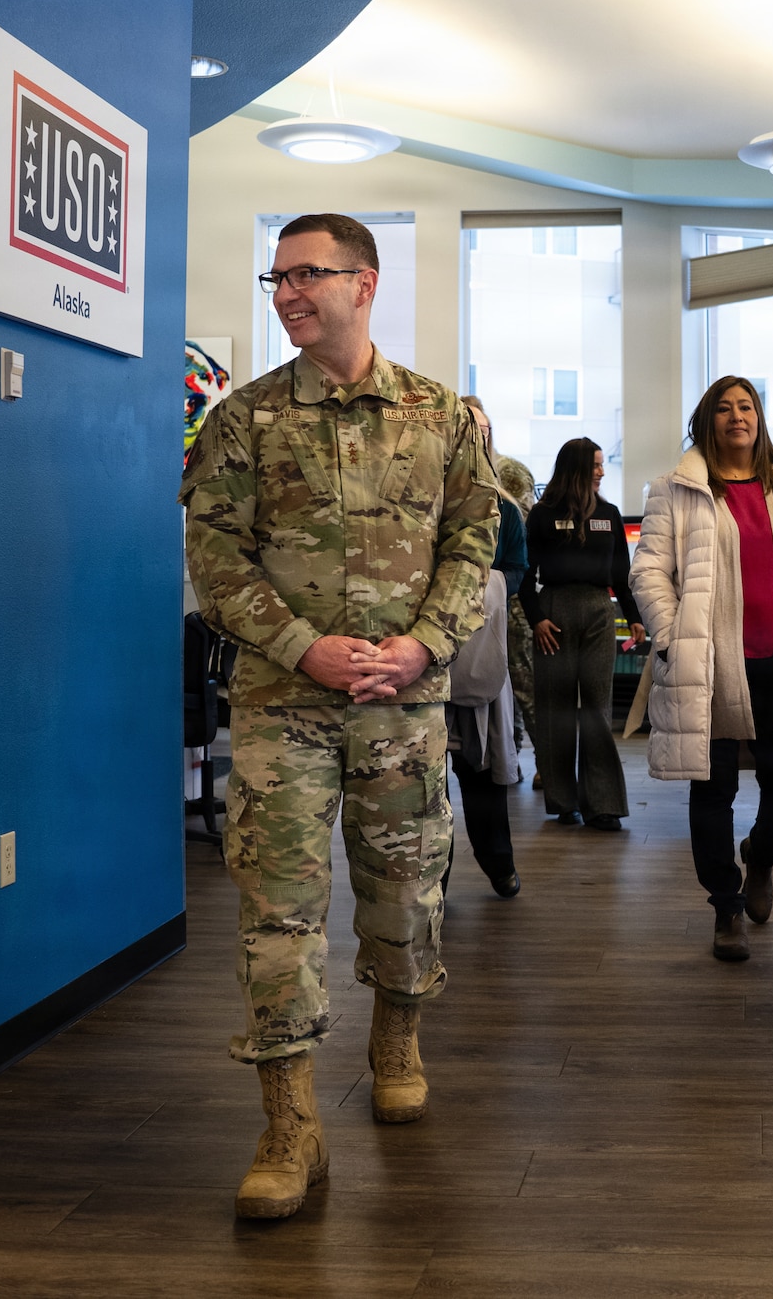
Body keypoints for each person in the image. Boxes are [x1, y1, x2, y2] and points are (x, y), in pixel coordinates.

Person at [181, 212, 499, 1219]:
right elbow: (216, 556)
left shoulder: (441, 416)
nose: (284, 293)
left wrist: (422, 644)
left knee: (405, 891)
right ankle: (290, 1123)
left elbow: (472, 544)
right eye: (274, 277)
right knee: (276, 905)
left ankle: (396, 1036)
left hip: (403, 704)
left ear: (363, 283)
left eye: (304, 274)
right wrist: (298, 645)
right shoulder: (243, 419)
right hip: (284, 707)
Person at [630, 377, 773, 962]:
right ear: (707, 420)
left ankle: (761, 859)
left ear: (760, 418)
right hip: (713, 663)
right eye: (724, 407)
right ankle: (725, 906)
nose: (736, 416)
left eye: (746, 406)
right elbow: (648, 571)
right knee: (712, 788)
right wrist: (672, 635)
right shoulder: (676, 489)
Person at [520, 438, 644, 830]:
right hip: (553, 614)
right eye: (594, 465)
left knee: (596, 706)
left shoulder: (609, 514)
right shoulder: (541, 515)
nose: (601, 472)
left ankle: (603, 804)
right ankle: (562, 800)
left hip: (597, 612)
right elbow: (523, 575)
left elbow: (622, 577)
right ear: (575, 467)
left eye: (602, 465)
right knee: (554, 708)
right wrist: (537, 618)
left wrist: (635, 617)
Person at [444, 400, 527, 899]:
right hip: (421, 656)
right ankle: (436, 881)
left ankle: (500, 865)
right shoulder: (419, 501)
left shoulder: (505, 508)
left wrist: (479, 585)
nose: (474, 437)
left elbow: (516, 568)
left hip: (480, 653)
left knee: (481, 771)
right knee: (425, 783)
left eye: (483, 430)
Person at [464, 395, 541, 761]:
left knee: (518, 688)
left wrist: (489, 585)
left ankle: (519, 756)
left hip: (497, 611)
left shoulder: (505, 494)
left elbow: (519, 558)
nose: (477, 436)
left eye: (483, 429)